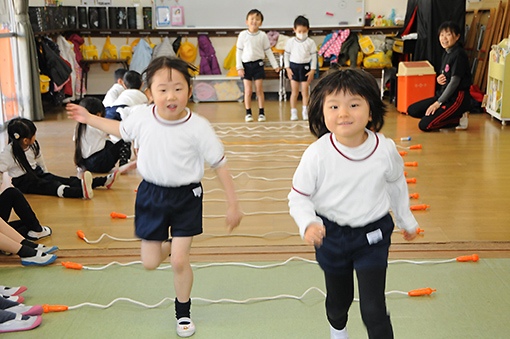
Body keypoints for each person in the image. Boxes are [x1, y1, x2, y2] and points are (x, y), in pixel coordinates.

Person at [66, 56, 243, 338]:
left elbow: (220, 164)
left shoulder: (199, 126)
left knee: (179, 262)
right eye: (162, 89)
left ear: (190, 89)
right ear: (150, 93)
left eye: (178, 88)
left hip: (187, 196)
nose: (171, 96)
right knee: (149, 262)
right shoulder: (141, 117)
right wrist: (89, 118)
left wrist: (233, 204)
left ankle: (183, 313)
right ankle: (174, 244)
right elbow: (119, 130)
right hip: (151, 195)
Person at [288, 69, 418, 339]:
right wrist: (307, 223)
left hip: (373, 235)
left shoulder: (385, 149)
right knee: (338, 303)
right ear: (322, 113)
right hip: (331, 236)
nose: (343, 113)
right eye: (334, 106)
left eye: (354, 104)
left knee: (374, 309)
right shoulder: (317, 154)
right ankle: (338, 330)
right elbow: (299, 196)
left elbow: (396, 184)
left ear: (371, 111)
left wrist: (407, 220)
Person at [0, 118, 118, 200]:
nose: (35, 136)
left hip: (36, 173)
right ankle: (81, 193)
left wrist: (45, 173)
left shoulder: (32, 145)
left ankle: (102, 181)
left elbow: (39, 159)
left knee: (63, 180)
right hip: (24, 183)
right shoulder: (8, 153)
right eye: (33, 134)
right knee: (53, 187)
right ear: (25, 140)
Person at [407, 21, 471, 131]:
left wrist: (438, 103)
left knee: (425, 125)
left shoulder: (459, 54)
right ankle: (446, 116)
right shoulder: (447, 52)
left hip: (456, 98)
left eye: (448, 34)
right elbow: (446, 74)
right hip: (443, 95)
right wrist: (439, 79)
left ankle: (458, 118)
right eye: (441, 35)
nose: (444, 38)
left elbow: (454, 82)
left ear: (457, 37)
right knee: (412, 110)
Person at [236, 9, 280, 122]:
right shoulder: (242, 35)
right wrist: (239, 67)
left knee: (259, 89)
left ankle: (261, 112)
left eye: (257, 19)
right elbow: (239, 52)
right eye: (252, 19)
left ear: (260, 23)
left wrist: (275, 65)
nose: (254, 21)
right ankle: (248, 113)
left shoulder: (263, 35)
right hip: (245, 65)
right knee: (248, 91)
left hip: (258, 65)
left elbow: (268, 51)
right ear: (247, 21)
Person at [105, 70, 148, 168]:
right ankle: (125, 157)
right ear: (142, 85)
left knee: (119, 139)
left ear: (124, 85)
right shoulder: (142, 97)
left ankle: (118, 154)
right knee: (128, 137)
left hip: (112, 114)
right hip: (124, 115)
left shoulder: (123, 94)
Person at [74, 97, 125, 174]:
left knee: (108, 143)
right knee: (125, 140)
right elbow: (115, 131)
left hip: (85, 164)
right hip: (100, 164)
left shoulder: (79, 127)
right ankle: (124, 165)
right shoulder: (96, 125)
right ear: (98, 114)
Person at [284, 15, 317, 121]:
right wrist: (287, 68)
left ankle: (305, 111)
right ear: (294, 30)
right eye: (299, 31)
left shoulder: (310, 42)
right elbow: (286, 55)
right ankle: (293, 112)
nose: (301, 33)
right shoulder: (291, 42)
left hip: (305, 68)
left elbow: (314, 56)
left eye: (304, 31)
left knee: (305, 91)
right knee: (294, 92)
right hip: (293, 67)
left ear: (308, 29)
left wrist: (312, 70)